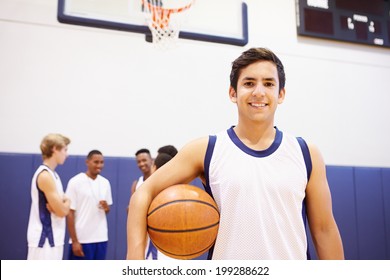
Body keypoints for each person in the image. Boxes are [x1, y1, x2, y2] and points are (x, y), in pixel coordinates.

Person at [127, 47, 344, 260]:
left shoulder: (306, 153)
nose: (259, 92)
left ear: (281, 94)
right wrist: (134, 260)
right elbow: (143, 193)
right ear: (233, 93)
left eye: (268, 84)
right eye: (249, 83)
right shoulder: (206, 150)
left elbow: (324, 229)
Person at [27, 133, 71, 260]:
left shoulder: (54, 175)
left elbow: (62, 206)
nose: (66, 154)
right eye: (64, 150)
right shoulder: (45, 176)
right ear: (54, 149)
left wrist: (64, 203)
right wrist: (66, 203)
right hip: (44, 239)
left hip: (54, 238)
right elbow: (62, 211)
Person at [65, 150, 113, 260]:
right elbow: (70, 213)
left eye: (102, 162)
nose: (99, 165)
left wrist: (106, 208)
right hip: (82, 239)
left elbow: (107, 210)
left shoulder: (105, 183)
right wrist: (75, 241)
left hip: (101, 238)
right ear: (87, 162)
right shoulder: (75, 182)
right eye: (96, 162)